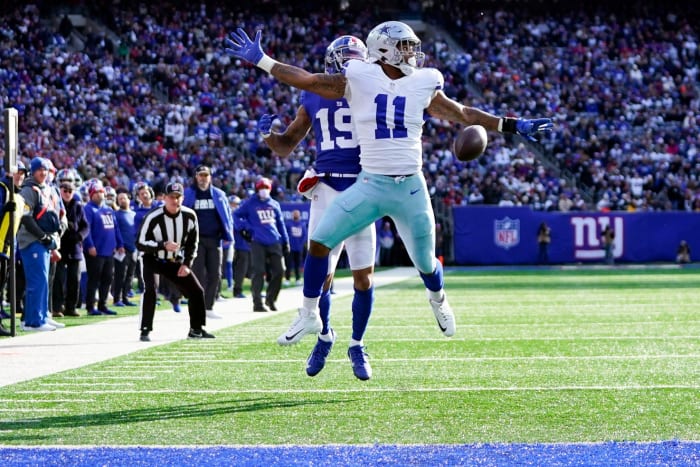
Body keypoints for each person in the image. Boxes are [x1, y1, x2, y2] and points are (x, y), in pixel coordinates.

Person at [225, 22, 552, 367]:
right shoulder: (357, 77)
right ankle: (312, 319)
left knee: (424, 262)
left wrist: (512, 124)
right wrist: (262, 60)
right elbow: (306, 81)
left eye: (412, 47)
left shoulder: (423, 81)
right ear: (383, 49)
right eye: (405, 46)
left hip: (409, 186)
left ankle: (437, 298)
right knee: (318, 245)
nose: (412, 53)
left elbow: (463, 114)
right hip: (368, 185)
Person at [255, 35, 378, 379]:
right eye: (347, 57)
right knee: (320, 276)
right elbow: (286, 146)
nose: (352, 62)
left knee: (363, 279)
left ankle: (357, 344)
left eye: (357, 56)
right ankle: (324, 336)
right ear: (333, 61)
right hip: (326, 188)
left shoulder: (372, 91)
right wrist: (270, 136)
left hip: (362, 188)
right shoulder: (312, 94)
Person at [135, 182, 214, 341]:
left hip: (173, 260)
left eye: (178, 197)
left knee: (197, 291)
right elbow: (140, 243)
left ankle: (196, 329)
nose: (175, 200)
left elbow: (193, 243)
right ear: (164, 198)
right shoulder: (153, 216)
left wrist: (187, 264)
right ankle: (145, 329)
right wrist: (162, 245)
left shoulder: (190, 216)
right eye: (171, 197)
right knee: (151, 290)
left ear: (183, 198)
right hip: (152, 258)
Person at [17, 157, 67, 331]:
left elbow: (59, 213)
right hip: (32, 240)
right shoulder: (29, 190)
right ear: (33, 171)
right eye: (40, 169)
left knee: (44, 280)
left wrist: (55, 235)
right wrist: (43, 237)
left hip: (44, 240)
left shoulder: (48, 189)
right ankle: (33, 321)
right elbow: (26, 218)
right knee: (37, 281)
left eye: (46, 170)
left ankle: (43, 315)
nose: (43, 173)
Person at [183, 165, 234, 319]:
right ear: (196, 176)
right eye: (200, 175)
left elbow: (227, 216)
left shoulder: (218, 194)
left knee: (215, 274)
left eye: (206, 175)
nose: (203, 178)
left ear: (210, 177)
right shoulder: (189, 194)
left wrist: (228, 235)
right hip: (196, 240)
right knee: (198, 274)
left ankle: (209, 306)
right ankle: (198, 306)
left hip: (214, 239)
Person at [233, 177, 289, 312]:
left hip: (274, 240)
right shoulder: (250, 203)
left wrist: (286, 241)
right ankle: (257, 303)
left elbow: (280, 224)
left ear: (270, 189)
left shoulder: (274, 204)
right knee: (258, 271)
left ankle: (270, 299)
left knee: (279, 271)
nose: (263, 191)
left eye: (266, 188)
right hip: (257, 241)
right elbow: (236, 215)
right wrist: (245, 227)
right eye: (261, 188)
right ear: (257, 190)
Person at [83, 179, 125, 316]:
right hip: (96, 251)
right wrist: (89, 245)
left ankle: (103, 304)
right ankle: (90, 306)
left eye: (101, 191)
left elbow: (116, 228)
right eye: (97, 192)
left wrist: (120, 244)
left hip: (109, 251)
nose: (100, 194)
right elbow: (86, 229)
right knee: (94, 279)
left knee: (107, 279)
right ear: (91, 194)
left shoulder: (108, 209)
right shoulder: (88, 209)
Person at [53, 179, 89, 317]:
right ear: (60, 191)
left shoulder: (78, 206)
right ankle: (57, 307)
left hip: (75, 248)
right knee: (59, 280)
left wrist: (80, 236)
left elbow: (85, 226)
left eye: (70, 191)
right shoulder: (56, 205)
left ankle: (71, 307)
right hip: (60, 246)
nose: (67, 193)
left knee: (75, 280)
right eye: (65, 190)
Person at [0, 161, 27, 335]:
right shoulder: (2, 188)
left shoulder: (20, 196)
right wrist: (3, 209)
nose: (20, 176)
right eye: (17, 172)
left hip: (7, 249)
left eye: (22, 173)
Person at [112, 190, 138, 307]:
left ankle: (126, 297)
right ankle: (117, 298)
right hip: (122, 249)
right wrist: (118, 245)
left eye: (124, 198)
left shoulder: (133, 214)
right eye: (119, 198)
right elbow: (115, 232)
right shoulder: (116, 214)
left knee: (130, 275)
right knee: (120, 275)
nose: (122, 200)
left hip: (133, 249)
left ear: (129, 199)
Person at [230, 195, 252, 299]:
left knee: (244, 269)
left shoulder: (241, 215)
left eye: (236, 204)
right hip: (236, 245)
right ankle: (237, 290)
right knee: (239, 269)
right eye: (232, 204)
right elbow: (239, 227)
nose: (234, 206)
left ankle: (239, 289)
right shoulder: (232, 215)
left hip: (244, 245)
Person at [284, 209, 307, 286]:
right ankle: (287, 279)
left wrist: (301, 245)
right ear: (292, 215)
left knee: (298, 265)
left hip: (299, 248)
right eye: (294, 214)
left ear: (299, 215)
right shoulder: (288, 224)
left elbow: (304, 236)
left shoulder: (302, 224)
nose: (295, 215)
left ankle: (298, 279)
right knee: (288, 264)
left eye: (297, 214)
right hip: (290, 248)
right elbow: (285, 235)